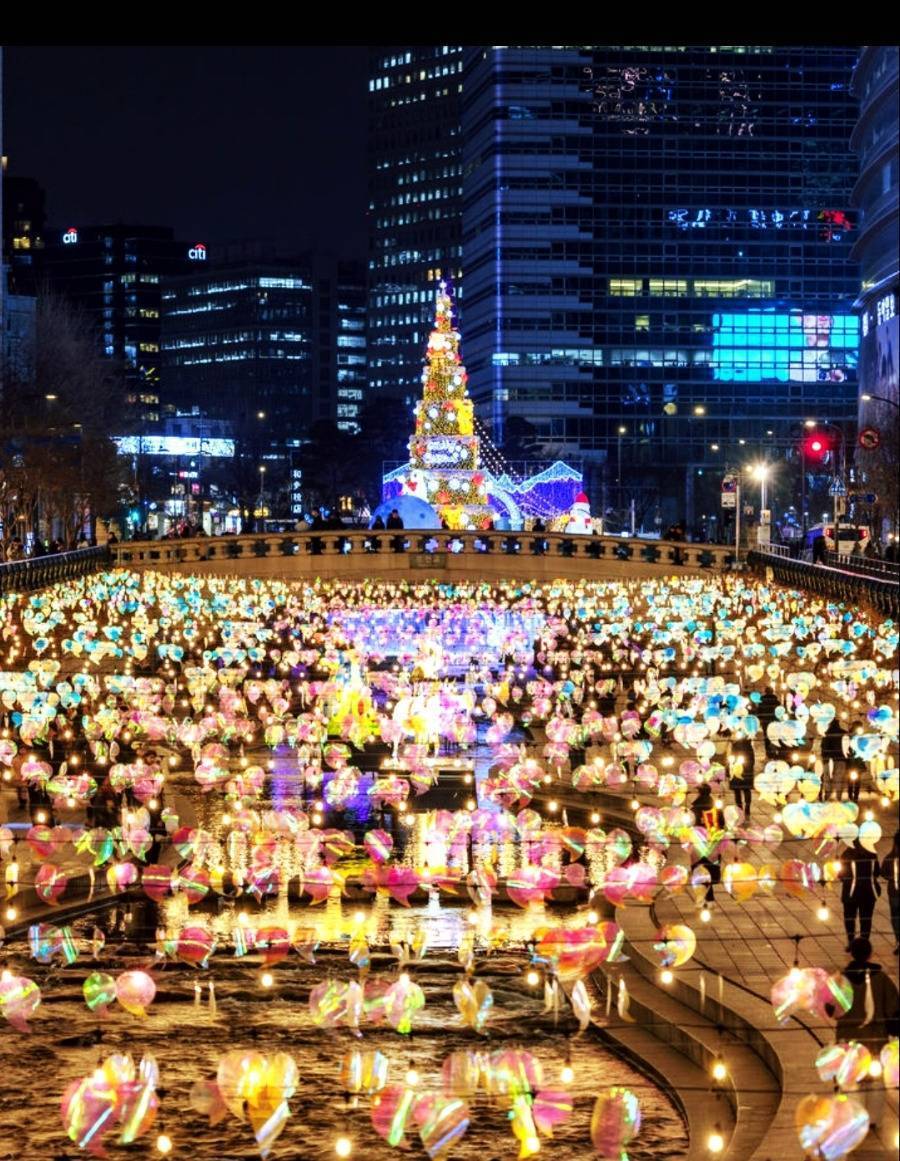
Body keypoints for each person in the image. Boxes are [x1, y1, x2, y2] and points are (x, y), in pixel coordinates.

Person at [838, 839, 881, 949]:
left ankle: (851, 942)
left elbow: (841, 875)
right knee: (866, 919)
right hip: (869, 892)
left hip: (851, 894)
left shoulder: (847, 854)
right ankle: (864, 943)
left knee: (850, 918)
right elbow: (876, 872)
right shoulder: (871, 854)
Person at [879, 831, 900, 954]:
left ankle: (898, 941)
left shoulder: (890, 857)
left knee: (896, 917)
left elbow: (883, 872)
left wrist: (892, 878)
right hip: (894, 893)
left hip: (894, 892)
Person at [821, 714, 849, 799]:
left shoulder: (826, 734)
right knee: (839, 780)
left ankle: (827, 796)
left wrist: (824, 758)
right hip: (840, 759)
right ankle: (838, 797)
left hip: (828, 759)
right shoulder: (843, 733)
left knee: (827, 779)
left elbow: (824, 747)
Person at [728, 735, 755, 820]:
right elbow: (752, 760)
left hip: (736, 772)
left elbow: (730, 759)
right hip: (746, 771)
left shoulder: (734, 746)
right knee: (746, 790)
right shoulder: (748, 745)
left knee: (737, 791)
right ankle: (747, 808)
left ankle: (740, 808)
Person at [756, 685, 780, 758]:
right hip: (773, 720)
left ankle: (768, 752)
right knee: (774, 736)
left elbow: (759, 710)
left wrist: (760, 718)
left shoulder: (762, 700)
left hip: (765, 721)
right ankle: (774, 750)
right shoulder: (775, 700)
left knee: (767, 736)